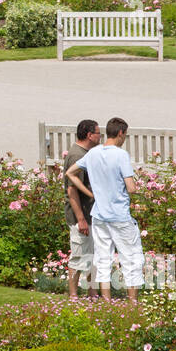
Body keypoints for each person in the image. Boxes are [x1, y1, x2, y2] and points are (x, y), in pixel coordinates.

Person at [68, 117, 144, 302]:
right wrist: (142, 191)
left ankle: (107, 303)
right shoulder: (121, 155)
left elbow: (70, 173)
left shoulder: (93, 153)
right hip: (119, 216)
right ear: (120, 133)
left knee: (102, 260)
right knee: (132, 258)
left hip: (99, 216)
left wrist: (91, 193)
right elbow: (131, 187)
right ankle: (133, 303)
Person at [62, 119, 100, 298]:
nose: (101, 137)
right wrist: (81, 219)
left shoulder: (85, 153)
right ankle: (73, 295)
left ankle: (92, 291)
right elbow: (72, 190)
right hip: (81, 215)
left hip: (89, 214)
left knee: (91, 254)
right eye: (99, 133)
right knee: (79, 255)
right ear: (89, 135)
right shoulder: (77, 156)